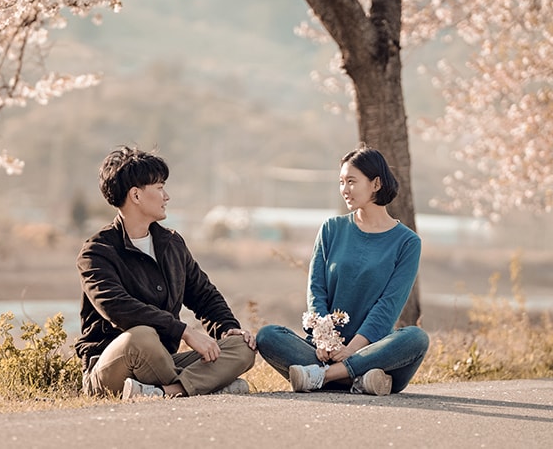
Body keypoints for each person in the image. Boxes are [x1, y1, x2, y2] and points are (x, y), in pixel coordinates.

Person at [75, 146, 257, 399]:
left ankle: (167, 391)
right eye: (159, 188)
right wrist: (185, 331)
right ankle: (209, 385)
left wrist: (227, 328)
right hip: (113, 366)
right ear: (136, 195)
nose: (167, 196)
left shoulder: (171, 244)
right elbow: (118, 307)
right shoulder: (97, 252)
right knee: (141, 337)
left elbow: (203, 295)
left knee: (241, 347)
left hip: (164, 363)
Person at [256, 145, 429, 395]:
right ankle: (361, 382)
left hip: (375, 354)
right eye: (341, 182)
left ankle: (324, 377)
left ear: (376, 184)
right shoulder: (331, 229)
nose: (344, 190)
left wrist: (351, 351)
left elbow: (388, 307)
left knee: (416, 338)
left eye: (351, 181)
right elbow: (316, 290)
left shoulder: (407, 242)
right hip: (324, 351)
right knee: (268, 335)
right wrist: (324, 340)